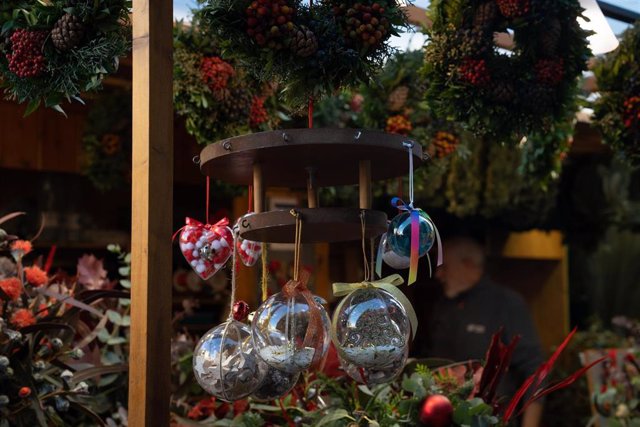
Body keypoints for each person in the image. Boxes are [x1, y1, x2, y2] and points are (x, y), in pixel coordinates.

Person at [423, 237, 544, 427]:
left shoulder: (506, 303)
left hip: (492, 420)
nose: (439, 274)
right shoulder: (443, 306)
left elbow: (535, 369)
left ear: (468, 265)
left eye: (444, 267)